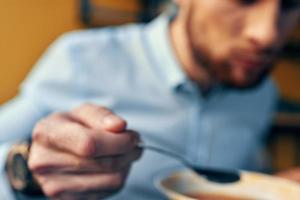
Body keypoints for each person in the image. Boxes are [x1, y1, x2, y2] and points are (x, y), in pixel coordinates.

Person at [1, 0, 300, 199]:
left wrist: (279, 185)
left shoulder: (261, 92)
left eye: (290, 4)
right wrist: (25, 171)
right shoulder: (81, 60)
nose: (268, 35)